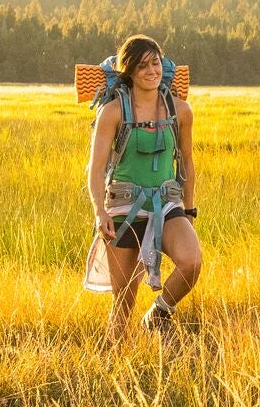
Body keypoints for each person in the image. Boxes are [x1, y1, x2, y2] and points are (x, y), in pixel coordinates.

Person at [86, 35, 201, 338]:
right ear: (130, 73)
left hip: (167, 204)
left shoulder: (181, 111)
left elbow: (187, 164)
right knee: (124, 299)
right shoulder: (112, 113)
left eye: (155, 63)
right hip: (124, 207)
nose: (151, 71)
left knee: (191, 262)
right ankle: (115, 366)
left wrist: (188, 211)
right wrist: (100, 212)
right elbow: (96, 169)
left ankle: (159, 314)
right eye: (142, 66)